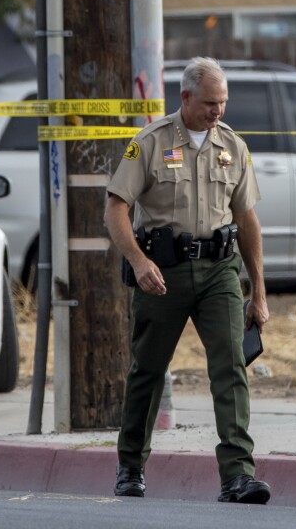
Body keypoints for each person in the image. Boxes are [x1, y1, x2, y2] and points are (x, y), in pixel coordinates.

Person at [104, 57, 272, 504]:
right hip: (163, 273)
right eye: (210, 103)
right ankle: (131, 466)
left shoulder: (233, 147)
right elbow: (115, 207)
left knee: (230, 366)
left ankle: (237, 474)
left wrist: (258, 289)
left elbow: (246, 217)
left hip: (219, 271)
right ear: (185, 97)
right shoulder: (151, 142)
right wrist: (139, 262)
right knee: (148, 371)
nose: (218, 111)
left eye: (223, 103)